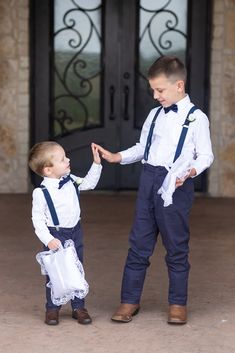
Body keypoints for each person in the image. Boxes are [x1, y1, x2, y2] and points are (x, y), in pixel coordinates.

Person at [93, 56, 214, 325]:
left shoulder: (196, 119)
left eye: (160, 90)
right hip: (149, 181)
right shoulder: (155, 114)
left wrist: (189, 172)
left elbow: (205, 156)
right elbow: (142, 149)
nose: (155, 95)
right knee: (139, 243)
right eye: (153, 90)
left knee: (176, 247)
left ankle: (178, 303)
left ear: (179, 85)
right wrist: (117, 157)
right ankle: (129, 300)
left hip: (176, 184)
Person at [28, 141, 102, 325]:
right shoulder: (41, 193)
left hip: (75, 231)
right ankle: (52, 309)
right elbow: (37, 220)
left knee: (77, 269)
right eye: (62, 159)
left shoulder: (71, 180)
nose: (68, 160)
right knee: (56, 273)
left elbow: (89, 183)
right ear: (48, 170)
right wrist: (49, 239)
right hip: (56, 235)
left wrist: (96, 164)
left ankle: (79, 307)